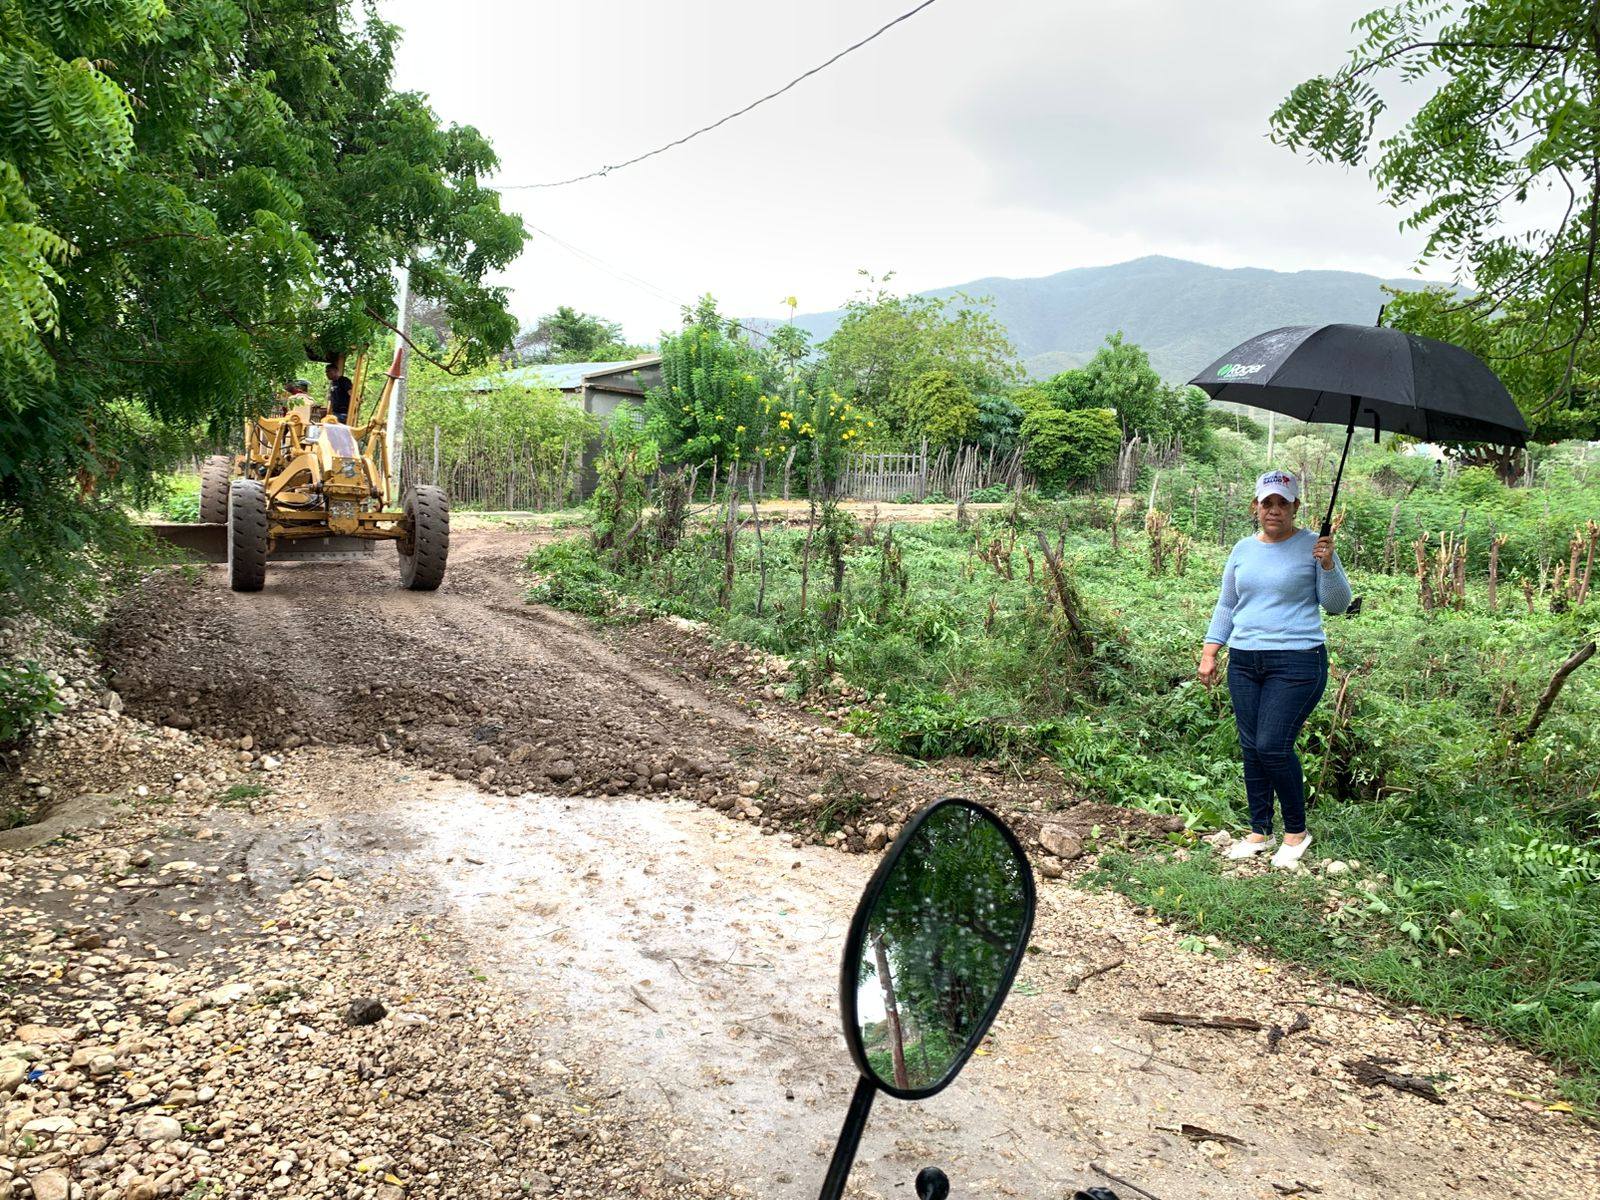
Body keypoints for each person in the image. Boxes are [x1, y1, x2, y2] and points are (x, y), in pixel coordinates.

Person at [1197, 469, 1351, 869]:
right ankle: (1258, 830)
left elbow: (1336, 604)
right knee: (1252, 747)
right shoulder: (1242, 550)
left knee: (1272, 745)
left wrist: (1330, 564)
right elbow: (1227, 604)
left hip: (1298, 659)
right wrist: (1211, 650)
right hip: (1246, 659)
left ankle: (1297, 832)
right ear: (1256, 506)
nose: (1275, 510)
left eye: (1284, 503)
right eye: (1268, 502)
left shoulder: (1315, 547)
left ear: (1296, 507)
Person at [326, 358, 353, 422]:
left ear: (336, 371)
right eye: (326, 372)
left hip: (343, 414)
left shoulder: (344, 380)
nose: (327, 374)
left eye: (328, 371)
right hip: (335, 413)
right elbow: (331, 399)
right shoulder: (333, 383)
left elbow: (352, 394)